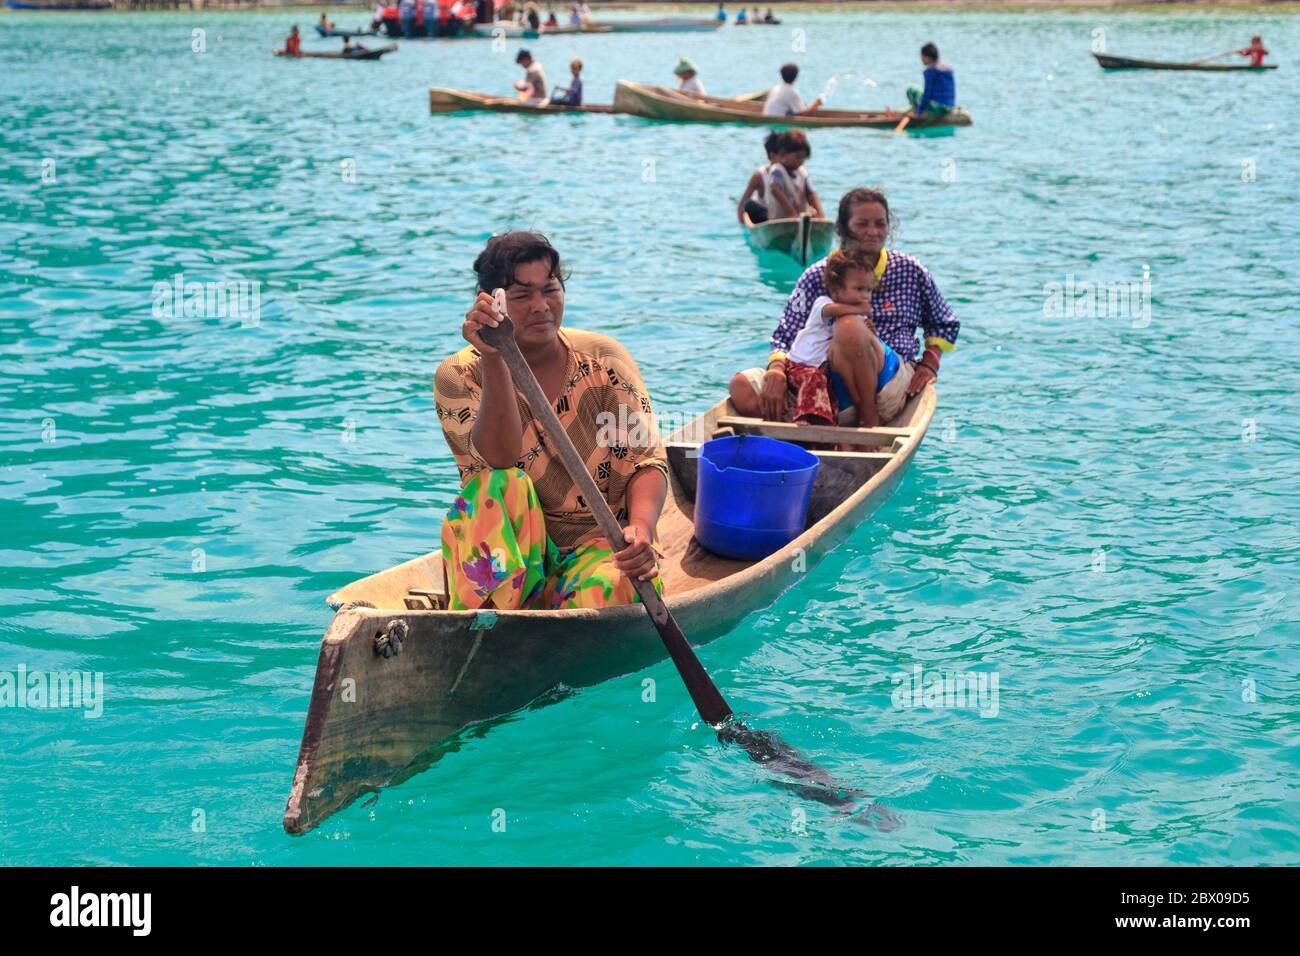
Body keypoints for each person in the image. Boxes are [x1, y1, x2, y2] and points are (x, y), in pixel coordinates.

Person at [435, 232, 669, 611]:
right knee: (497, 484)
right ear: (491, 303)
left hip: (600, 544)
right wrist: (496, 358)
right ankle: (498, 618)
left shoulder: (605, 362)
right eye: (522, 296)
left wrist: (641, 530)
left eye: (550, 289)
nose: (541, 306)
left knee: (606, 590)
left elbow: (647, 460)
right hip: (509, 550)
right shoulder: (459, 375)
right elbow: (499, 459)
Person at [729, 188, 959, 424]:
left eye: (880, 224)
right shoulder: (816, 275)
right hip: (822, 384)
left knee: (849, 326)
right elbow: (786, 334)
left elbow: (943, 321)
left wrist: (930, 363)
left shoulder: (910, 270)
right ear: (843, 229)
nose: (873, 232)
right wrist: (776, 370)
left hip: (887, 387)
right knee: (742, 388)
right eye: (862, 224)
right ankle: (812, 431)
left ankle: (868, 419)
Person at [783, 247, 904, 428]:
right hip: (802, 364)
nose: (865, 295)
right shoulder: (823, 303)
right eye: (859, 289)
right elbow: (833, 311)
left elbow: (858, 348)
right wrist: (858, 311)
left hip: (823, 368)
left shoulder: (856, 317)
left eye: (869, 290)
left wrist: (868, 332)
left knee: (834, 392)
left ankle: (849, 419)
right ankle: (804, 420)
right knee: (814, 379)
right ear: (836, 290)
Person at [736, 130, 824, 224]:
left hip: (796, 216)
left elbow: (811, 193)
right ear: (776, 155)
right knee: (750, 206)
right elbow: (774, 189)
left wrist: (820, 214)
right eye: (797, 157)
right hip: (771, 215)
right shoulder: (770, 172)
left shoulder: (801, 171)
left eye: (803, 158)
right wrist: (791, 212)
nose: (800, 161)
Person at [907, 42, 956, 118]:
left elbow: (927, 94)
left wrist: (919, 112)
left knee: (911, 89)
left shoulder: (931, 71)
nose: (921, 59)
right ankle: (918, 109)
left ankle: (917, 110)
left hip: (938, 108)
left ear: (928, 57)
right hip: (950, 106)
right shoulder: (948, 68)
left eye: (922, 56)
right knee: (919, 91)